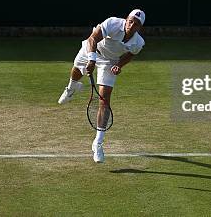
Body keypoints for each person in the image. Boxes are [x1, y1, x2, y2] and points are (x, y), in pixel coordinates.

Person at [58, 9, 146, 163]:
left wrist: (119, 65)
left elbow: (131, 54)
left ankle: (98, 143)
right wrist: (91, 60)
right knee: (77, 70)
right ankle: (71, 89)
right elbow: (93, 38)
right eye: (130, 21)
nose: (131, 25)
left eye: (136, 24)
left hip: (109, 62)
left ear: (139, 28)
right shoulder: (112, 23)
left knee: (104, 100)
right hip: (92, 49)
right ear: (126, 19)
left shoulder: (138, 42)